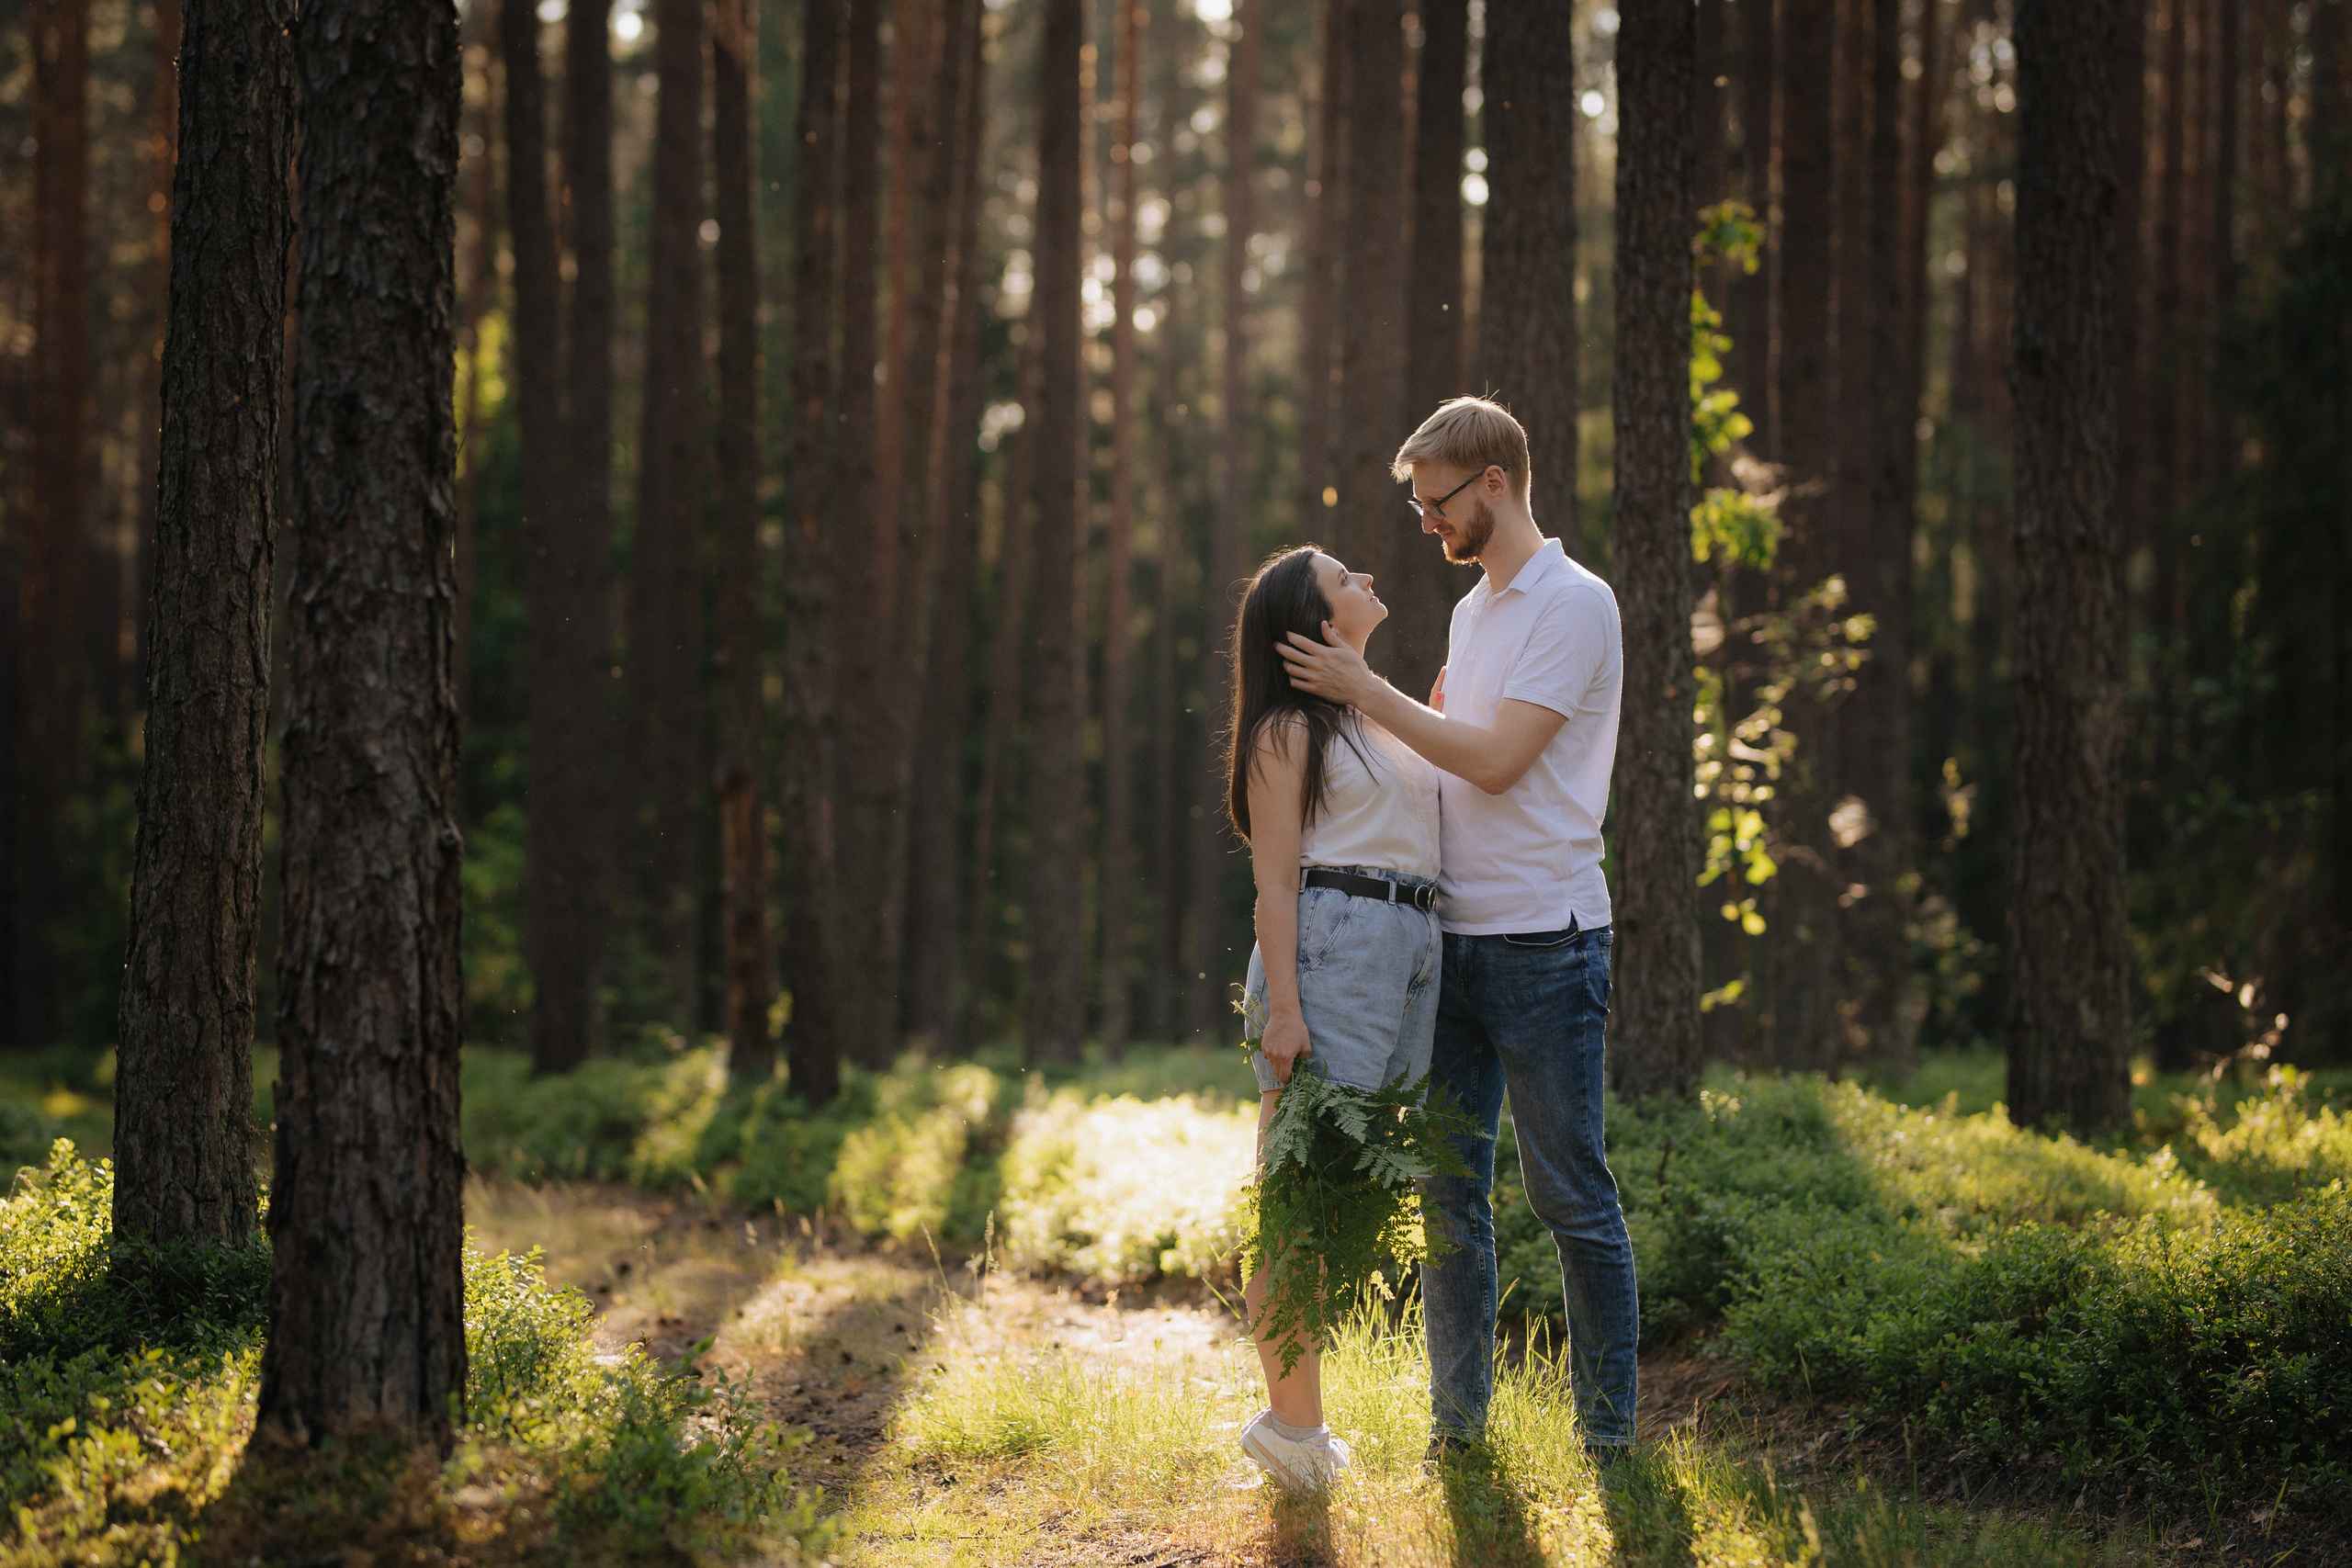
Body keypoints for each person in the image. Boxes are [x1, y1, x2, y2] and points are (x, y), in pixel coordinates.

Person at [1277, 396, 1638, 1465]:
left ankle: (1608, 1439)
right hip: (1446, 943)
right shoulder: (1476, 610)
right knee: (1448, 1199)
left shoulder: (1574, 604)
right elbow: (1445, 763)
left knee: (1569, 1196)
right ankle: (1457, 1431)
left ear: (1494, 483)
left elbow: (1493, 762)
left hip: (1545, 941)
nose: (1425, 524)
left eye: (1435, 502)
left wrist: (1365, 685)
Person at [1226, 544, 1442, 1488]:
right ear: (1315, 626)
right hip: (1330, 947)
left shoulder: (1377, 717)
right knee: (1295, 1197)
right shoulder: (1286, 730)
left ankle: (1296, 1421)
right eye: (1344, 578)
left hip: (1406, 949)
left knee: (1341, 1191)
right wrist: (1283, 1010)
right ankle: (1293, 1432)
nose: (1366, 578)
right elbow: (1274, 882)